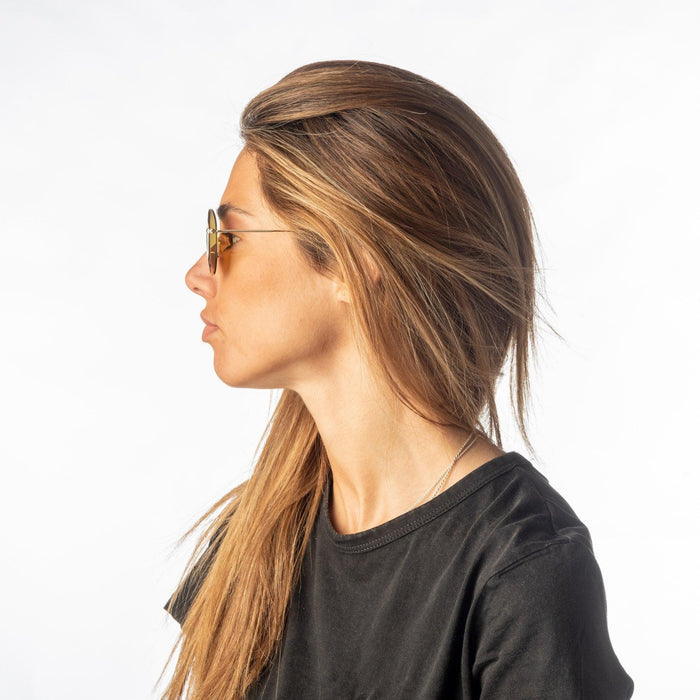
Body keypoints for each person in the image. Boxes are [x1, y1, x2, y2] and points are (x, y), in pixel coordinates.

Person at [161, 60, 634, 699]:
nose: (198, 273)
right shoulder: (251, 542)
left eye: (229, 236)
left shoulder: (523, 567)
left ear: (352, 261)